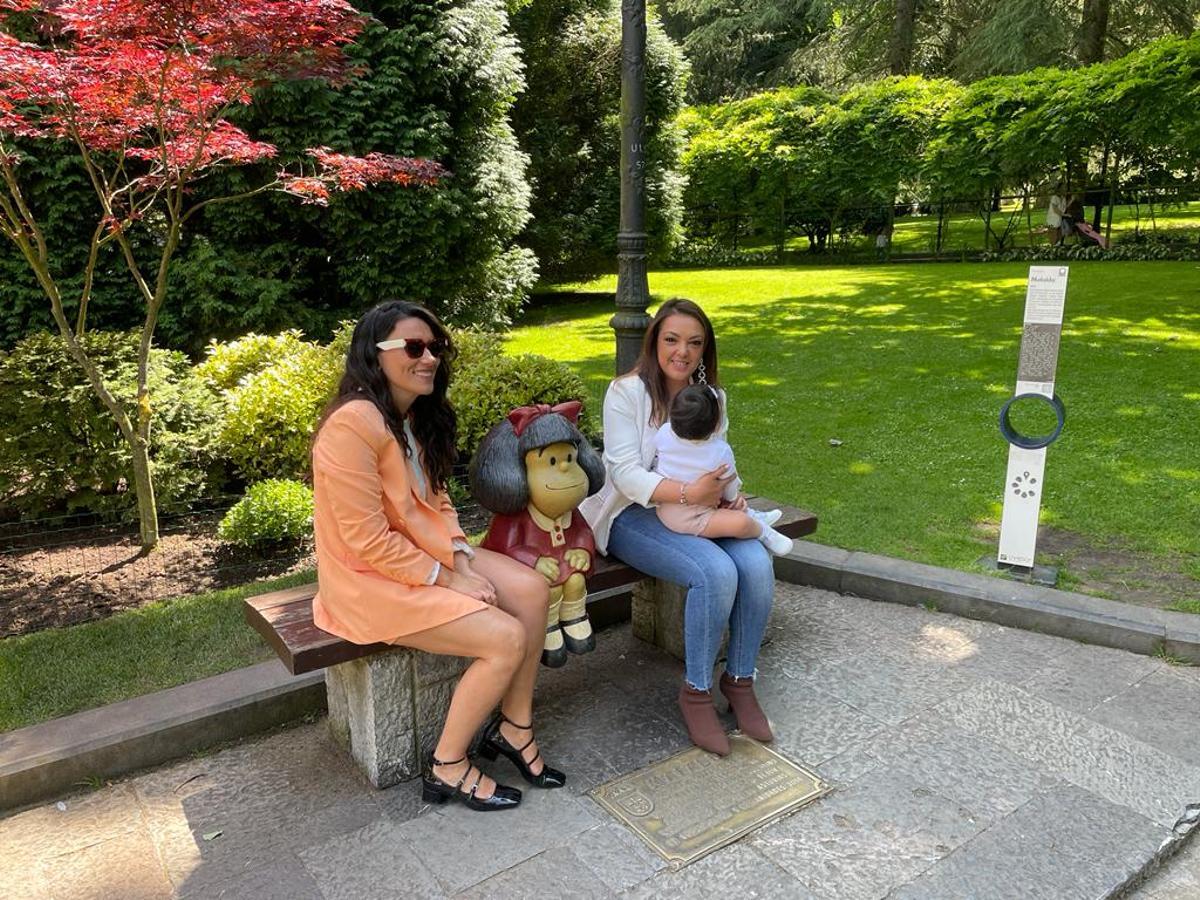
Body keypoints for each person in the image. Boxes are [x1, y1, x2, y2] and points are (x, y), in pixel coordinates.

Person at [311, 300, 563, 812]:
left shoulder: (411, 417)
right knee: (504, 638)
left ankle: (515, 728)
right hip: (368, 581)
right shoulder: (352, 425)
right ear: (372, 354)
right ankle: (447, 766)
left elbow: (439, 502)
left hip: (426, 558)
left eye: (435, 347)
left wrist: (462, 560)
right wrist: (447, 580)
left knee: (534, 590)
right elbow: (365, 540)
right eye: (413, 347)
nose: (428, 358)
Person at [579, 298, 778, 758]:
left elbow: (715, 456)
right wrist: (690, 494)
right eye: (671, 340)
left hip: (702, 510)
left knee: (755, 562)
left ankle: (741, 680)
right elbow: (625, 473)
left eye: (694, 343)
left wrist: (729, 493)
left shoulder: (712, 397)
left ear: (705, 350)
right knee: (715, 572)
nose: (682, 352)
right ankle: (696, 692)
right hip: (633, 513)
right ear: (654, 342)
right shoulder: (627, 392)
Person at [653, 384, 793, 557]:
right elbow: (729, 481)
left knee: (735, 515)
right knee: (740, 523)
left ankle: (754, 515)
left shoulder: (663, 433)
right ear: (715, 424)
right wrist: (733, 498)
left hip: (667, 509)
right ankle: (764, 532)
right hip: (697, 518)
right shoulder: (719, 451)